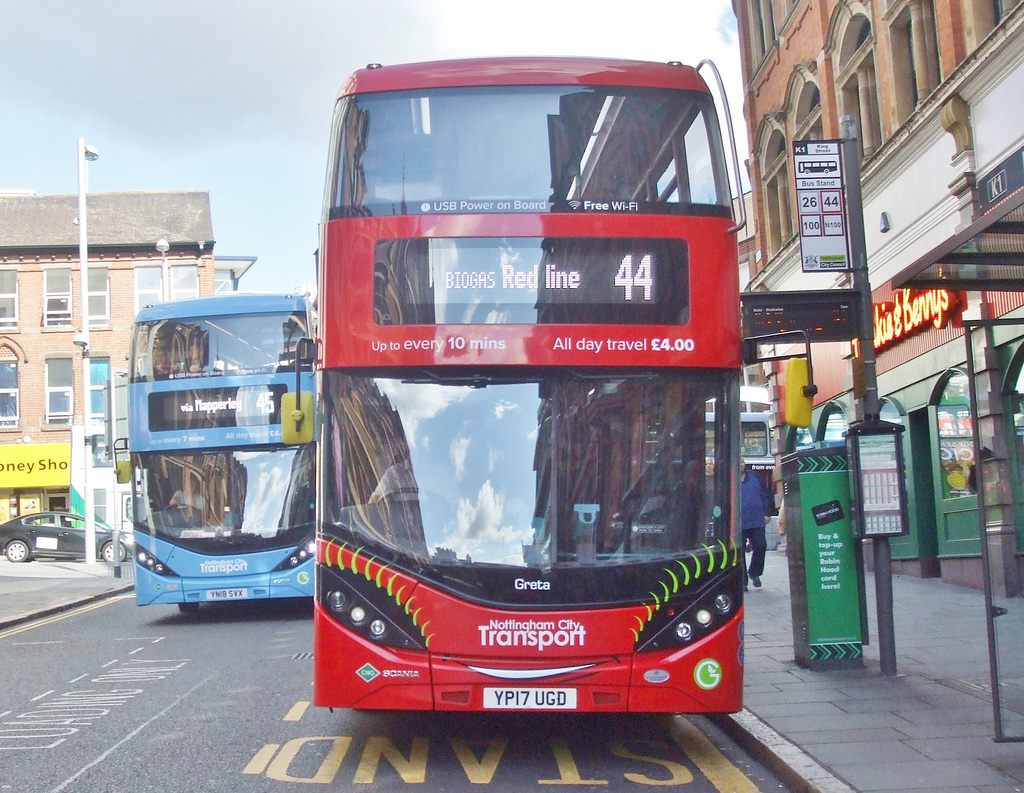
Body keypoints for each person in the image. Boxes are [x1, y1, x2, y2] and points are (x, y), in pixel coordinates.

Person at [741, 463, 772, 591]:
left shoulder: (755, 476)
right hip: (739, 521)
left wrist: (767, 512)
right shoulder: (730, 478)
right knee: (739, 552)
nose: (741, 464)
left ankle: (754, 572)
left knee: (761, 546)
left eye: (742, 462)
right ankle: (742, 581)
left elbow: (765, 495)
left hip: (756, 519)